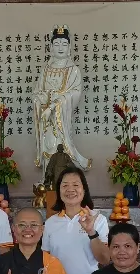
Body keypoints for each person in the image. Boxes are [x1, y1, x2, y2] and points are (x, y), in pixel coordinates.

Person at [33, 24, 90, 170]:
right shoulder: (45, 70)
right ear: (51, 47)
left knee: (61, 149)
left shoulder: (73, 71)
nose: (60, 47)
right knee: (48, 148)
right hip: (46, 121)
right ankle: (47, 180)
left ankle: (62, 182)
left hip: (61, 120)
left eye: (64, 44)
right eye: (56, 43)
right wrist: (41, 100)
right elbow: (37, 93)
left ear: (69, 47)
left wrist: (54, 105)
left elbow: (75, 93)